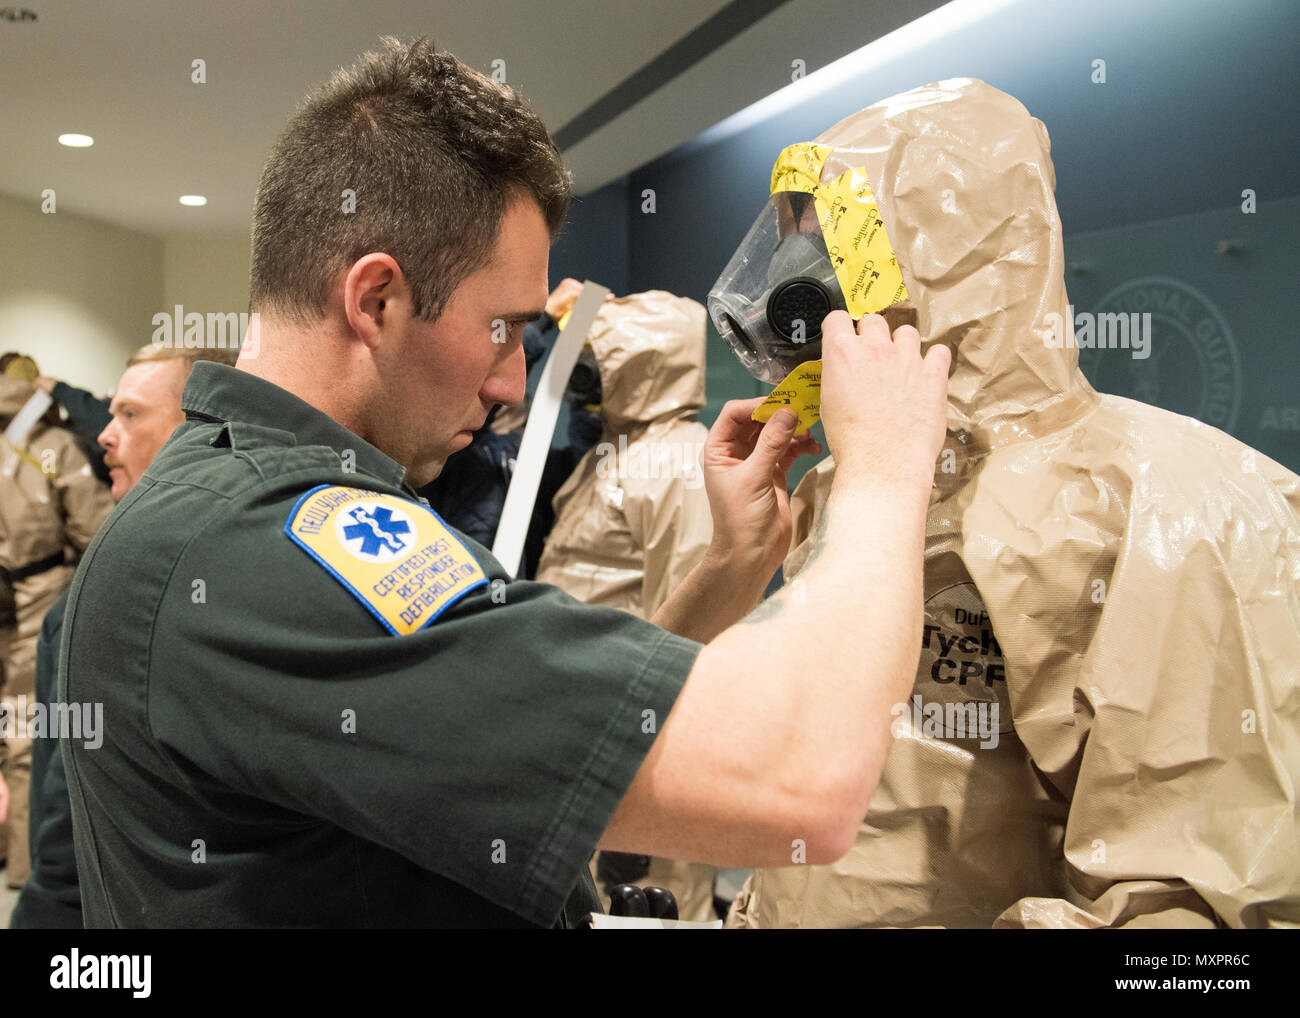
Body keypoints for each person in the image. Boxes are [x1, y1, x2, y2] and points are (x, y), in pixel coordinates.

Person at [60, 36, 949, 928]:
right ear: (376, 300)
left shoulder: (240, 504)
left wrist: (726, 569)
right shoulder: (273, 550)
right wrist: (883, 469)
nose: (513, 385)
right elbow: (804, 777)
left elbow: (548, 741)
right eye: (501, 329)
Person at [719, 78, 1300, 929]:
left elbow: (1194, 915)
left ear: (937, 248)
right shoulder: (847, 492)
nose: (797, 285)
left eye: (830, 235)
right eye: (797, 241)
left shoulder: (1173, 509)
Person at [11, 344, 237, 928]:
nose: (106, 435)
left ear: (200, 430)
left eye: (131, 415)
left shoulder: (117, 597)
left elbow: (66, 832)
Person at [535, 291, 725, 921]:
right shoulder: (615, 452)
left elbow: (692, 631)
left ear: (640, 362)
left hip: (642, 751)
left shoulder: (678, 461)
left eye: (597, 357)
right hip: (592, 730)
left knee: (654, 908)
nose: (584, 374)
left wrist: (642, 775)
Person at [0, 358, 114, 889]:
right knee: (28, 736)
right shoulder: (50, 447)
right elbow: (95, 530)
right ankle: (26, 872)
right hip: (36, 599)